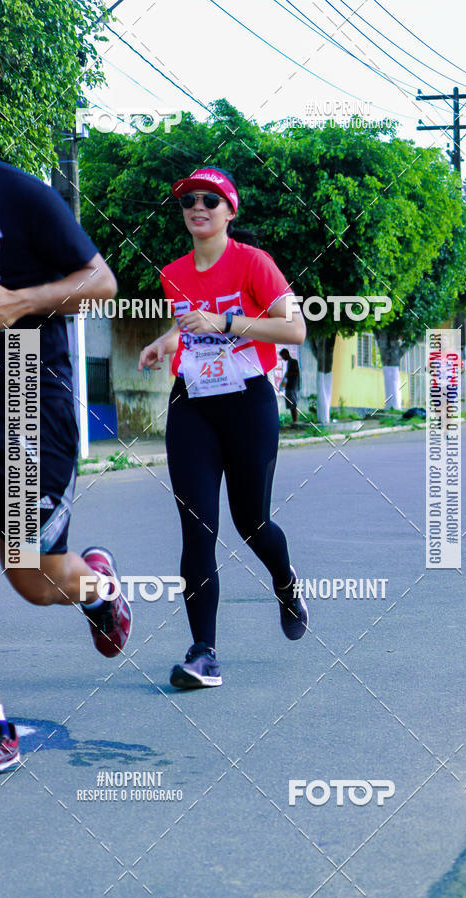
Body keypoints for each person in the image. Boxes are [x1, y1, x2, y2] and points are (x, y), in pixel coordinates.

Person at [0, 61, 132, 785]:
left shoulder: (22, 195)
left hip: (23, 399)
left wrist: (19, 304)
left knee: (33, 577)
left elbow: (102, 282)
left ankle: (99, 587)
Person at [139, 166, 308, 690]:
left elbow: (294, 329)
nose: (198, 207)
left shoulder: (253, 263)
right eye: (189, 200)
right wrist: (168, 341)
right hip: (193, 403)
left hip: (247, 405)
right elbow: (192, 323)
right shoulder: (173, 272)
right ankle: (203, 653)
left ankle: (285, 583)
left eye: (211, 200)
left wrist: (229, 323)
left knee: (252, 523)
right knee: (197, 527)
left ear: (230, 211)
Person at [279, 348, 300, 424]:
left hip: (292, 386)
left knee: (293, 404)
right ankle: (294, 420)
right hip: (289, 386)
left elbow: (296, 373)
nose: (283, 358)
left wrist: (288, 375)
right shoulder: (289, 363)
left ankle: (295, 421)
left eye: (282, 356)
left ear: (286, 354)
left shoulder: (294, 362)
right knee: (290, 404)